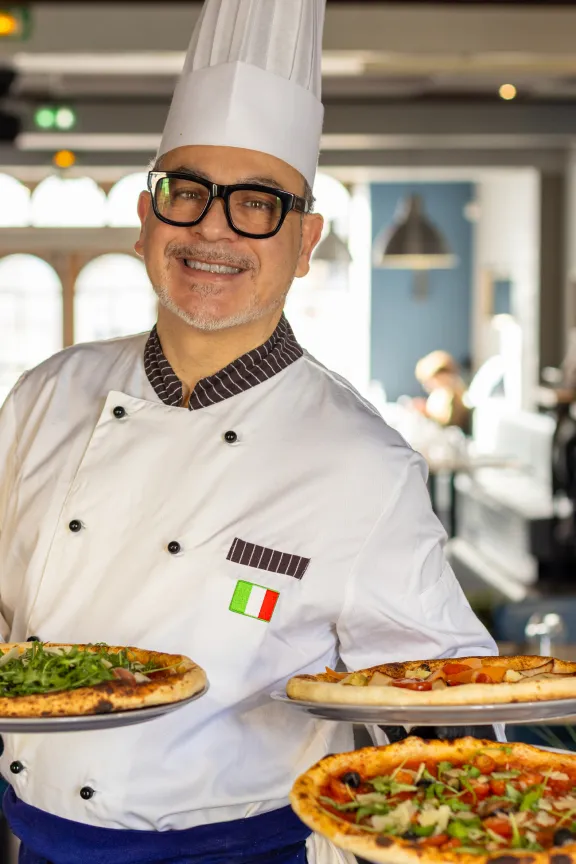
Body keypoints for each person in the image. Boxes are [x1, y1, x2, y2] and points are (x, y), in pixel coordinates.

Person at [0, 1, 496, 862]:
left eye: (257, 204)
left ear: (305, 242)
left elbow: (443, 693)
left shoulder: (360, 463)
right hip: (30, 839)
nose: (213, 229)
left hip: (235, 851)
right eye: (186, 192)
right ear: (149, 217)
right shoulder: (46, 394)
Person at [414, 350, 472, 433]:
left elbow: (451, 419)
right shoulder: (441, 394)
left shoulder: (452, 393)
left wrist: (428, 413)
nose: (427, 386)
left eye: (429, 380)